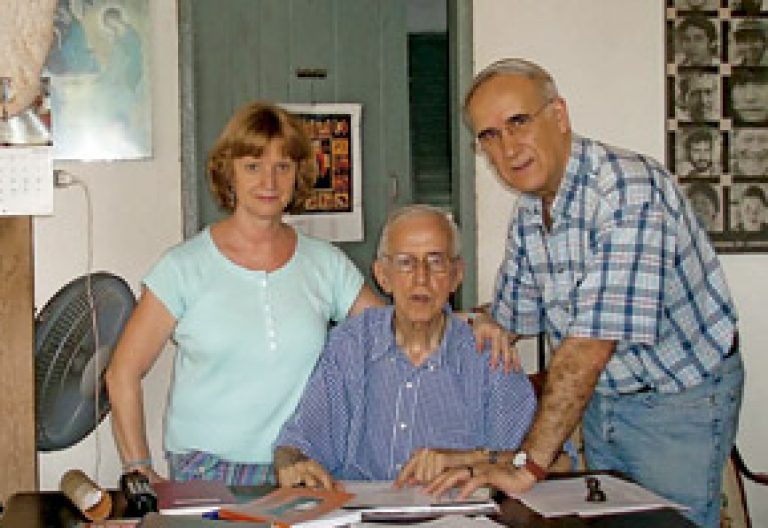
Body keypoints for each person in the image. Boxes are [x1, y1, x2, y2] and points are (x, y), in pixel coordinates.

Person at [429, 58, 743, 528]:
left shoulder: (627, 191)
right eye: (489, 136)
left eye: (518, 122)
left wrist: (526, 466)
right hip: (604, 399)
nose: (508, 147)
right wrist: (445, 326)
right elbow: (512, 318)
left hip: (678, 401)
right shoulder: (531, 212)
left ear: (559, 117)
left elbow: (588, 348)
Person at [105, 102, 383, 486]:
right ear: (228, 172)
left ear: (299, 174)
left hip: (305, 467)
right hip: (206, 471)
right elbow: (122, 372)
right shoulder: (182, 268)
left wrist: (471, 327)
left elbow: (392, 339)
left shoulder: (327, 265)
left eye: (282, 167)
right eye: (253, 166)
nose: (269, 182)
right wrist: (138, 466)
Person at [273, 204, 539, 488]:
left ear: (456, 274)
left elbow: (549, 459)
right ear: (382, 275)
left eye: (435, 262)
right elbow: (298, 444)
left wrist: (467, 459)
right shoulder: (350, 345)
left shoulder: (487, 354)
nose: (421, 278)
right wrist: (291, 462)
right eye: (405, 263)